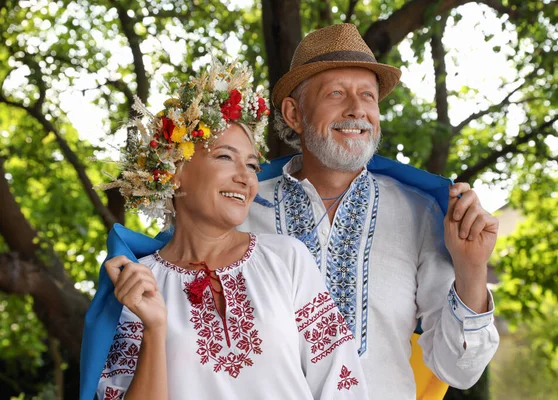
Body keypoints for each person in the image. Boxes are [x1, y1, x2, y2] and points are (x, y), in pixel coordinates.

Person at [237, 23, 500, 399]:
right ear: (294, 113)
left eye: (368, 96)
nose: (357, 109)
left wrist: (471, 268)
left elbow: (459, 369)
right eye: (336, 93)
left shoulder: (421, 214)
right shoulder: (240, 209)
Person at [80, 59, 369, 400]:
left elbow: (340, 380)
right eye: (224, 157)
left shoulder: (286, 259)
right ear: (175, 171)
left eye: (251, 164)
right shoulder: (139, 286)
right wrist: (155, 330)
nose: (246, 177)